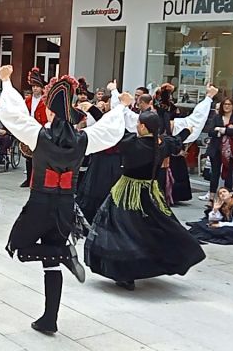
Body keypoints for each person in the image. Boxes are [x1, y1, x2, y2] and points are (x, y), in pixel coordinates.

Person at [0, 65, 127, 333]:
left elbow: (14, 115)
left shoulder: (39, 135)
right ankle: (49, 318)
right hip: (66, 205)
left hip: (40, 204)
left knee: (18, 248)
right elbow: (109, 130)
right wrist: (122, 107)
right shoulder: (83, 139)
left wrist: (7, 82)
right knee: (50, 265)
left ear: (52, 111)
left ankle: (63, 254)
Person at [85, 83, 216, 291]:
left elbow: (106, 127)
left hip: (126, 193)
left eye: (139, 123)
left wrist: (93, 109)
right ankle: (171, 256)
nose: (136, 125)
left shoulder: (131, 143)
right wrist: (187, 131)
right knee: (154, 226)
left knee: (122, 230)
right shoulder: (160, 145)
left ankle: (126, 272)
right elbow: (176, 141)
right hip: (149, 192)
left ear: (144, 127)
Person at [76, 97, 123, 223]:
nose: (107, 104)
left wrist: (91, 108)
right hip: (102, 160)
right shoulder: (111, 121)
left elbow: (102, 120)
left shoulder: (118, 123)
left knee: (101, 189)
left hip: (109, 162)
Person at [152, 83, 192, 206]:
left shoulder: (168, 109)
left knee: (169, 170)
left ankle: (165, 196)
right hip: (164, 139)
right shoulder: (157, 110)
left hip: (168, 137)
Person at [187, 178, 233, 246]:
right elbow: (214, 219)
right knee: (202, 224)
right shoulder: (223, 203)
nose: (222, 194)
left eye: (224, 192)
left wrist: (219, 224)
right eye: (220, 193)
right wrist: (215, 210)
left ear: (230, 194)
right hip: (227, 222)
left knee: (223, 231)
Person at [203, 97, 233, 200]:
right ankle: (211, 198)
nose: (227, 106)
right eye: (225, 104)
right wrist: (225, 130)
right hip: (216, 148)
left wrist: (220, 129)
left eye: (229, 104)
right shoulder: (217, 117)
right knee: (215, 173)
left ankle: (227, 198)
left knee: (228, 173)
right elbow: (211, 132)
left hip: (230, 150)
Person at [20, 67, 47, 188]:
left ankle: (37, 180)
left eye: (37, 86)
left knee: (39, 157)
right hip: (29, 130)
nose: (35, 88)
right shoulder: (27, 101)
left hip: (41, 130)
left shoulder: (45, 101)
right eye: (33, 86)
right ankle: (28, 179)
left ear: (41, 87)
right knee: (28, 156)